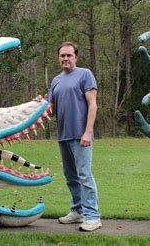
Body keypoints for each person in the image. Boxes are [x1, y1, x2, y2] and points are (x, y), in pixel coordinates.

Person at [47, 41, 101, 231]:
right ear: (58, 58)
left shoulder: (85, 74)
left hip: (81, 135)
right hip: (63, 135)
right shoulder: (56, 81)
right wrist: (40, 104)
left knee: (84, 175)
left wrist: (87, 132)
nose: (66, 58)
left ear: (76, 57)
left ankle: (93, 216)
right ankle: (77, 211)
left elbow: (92, 105)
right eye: (62, 55)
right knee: (71, 176)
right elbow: (50, 109)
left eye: (69, 55)